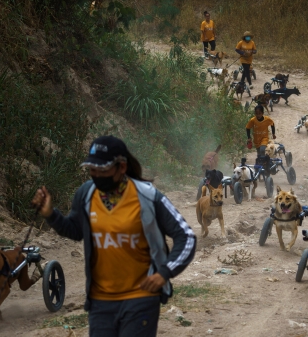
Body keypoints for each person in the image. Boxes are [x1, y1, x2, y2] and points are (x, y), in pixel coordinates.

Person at [31, 136, 196, 337]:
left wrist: (164, 272)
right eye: (92, 170)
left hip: (141, 298)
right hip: (100, 302)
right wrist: (51, 214)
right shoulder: (85, 195)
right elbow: (75, 231)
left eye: (103, 170)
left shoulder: (147, 196)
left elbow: (186, 236)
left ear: (122, 167)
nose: (97, 175)